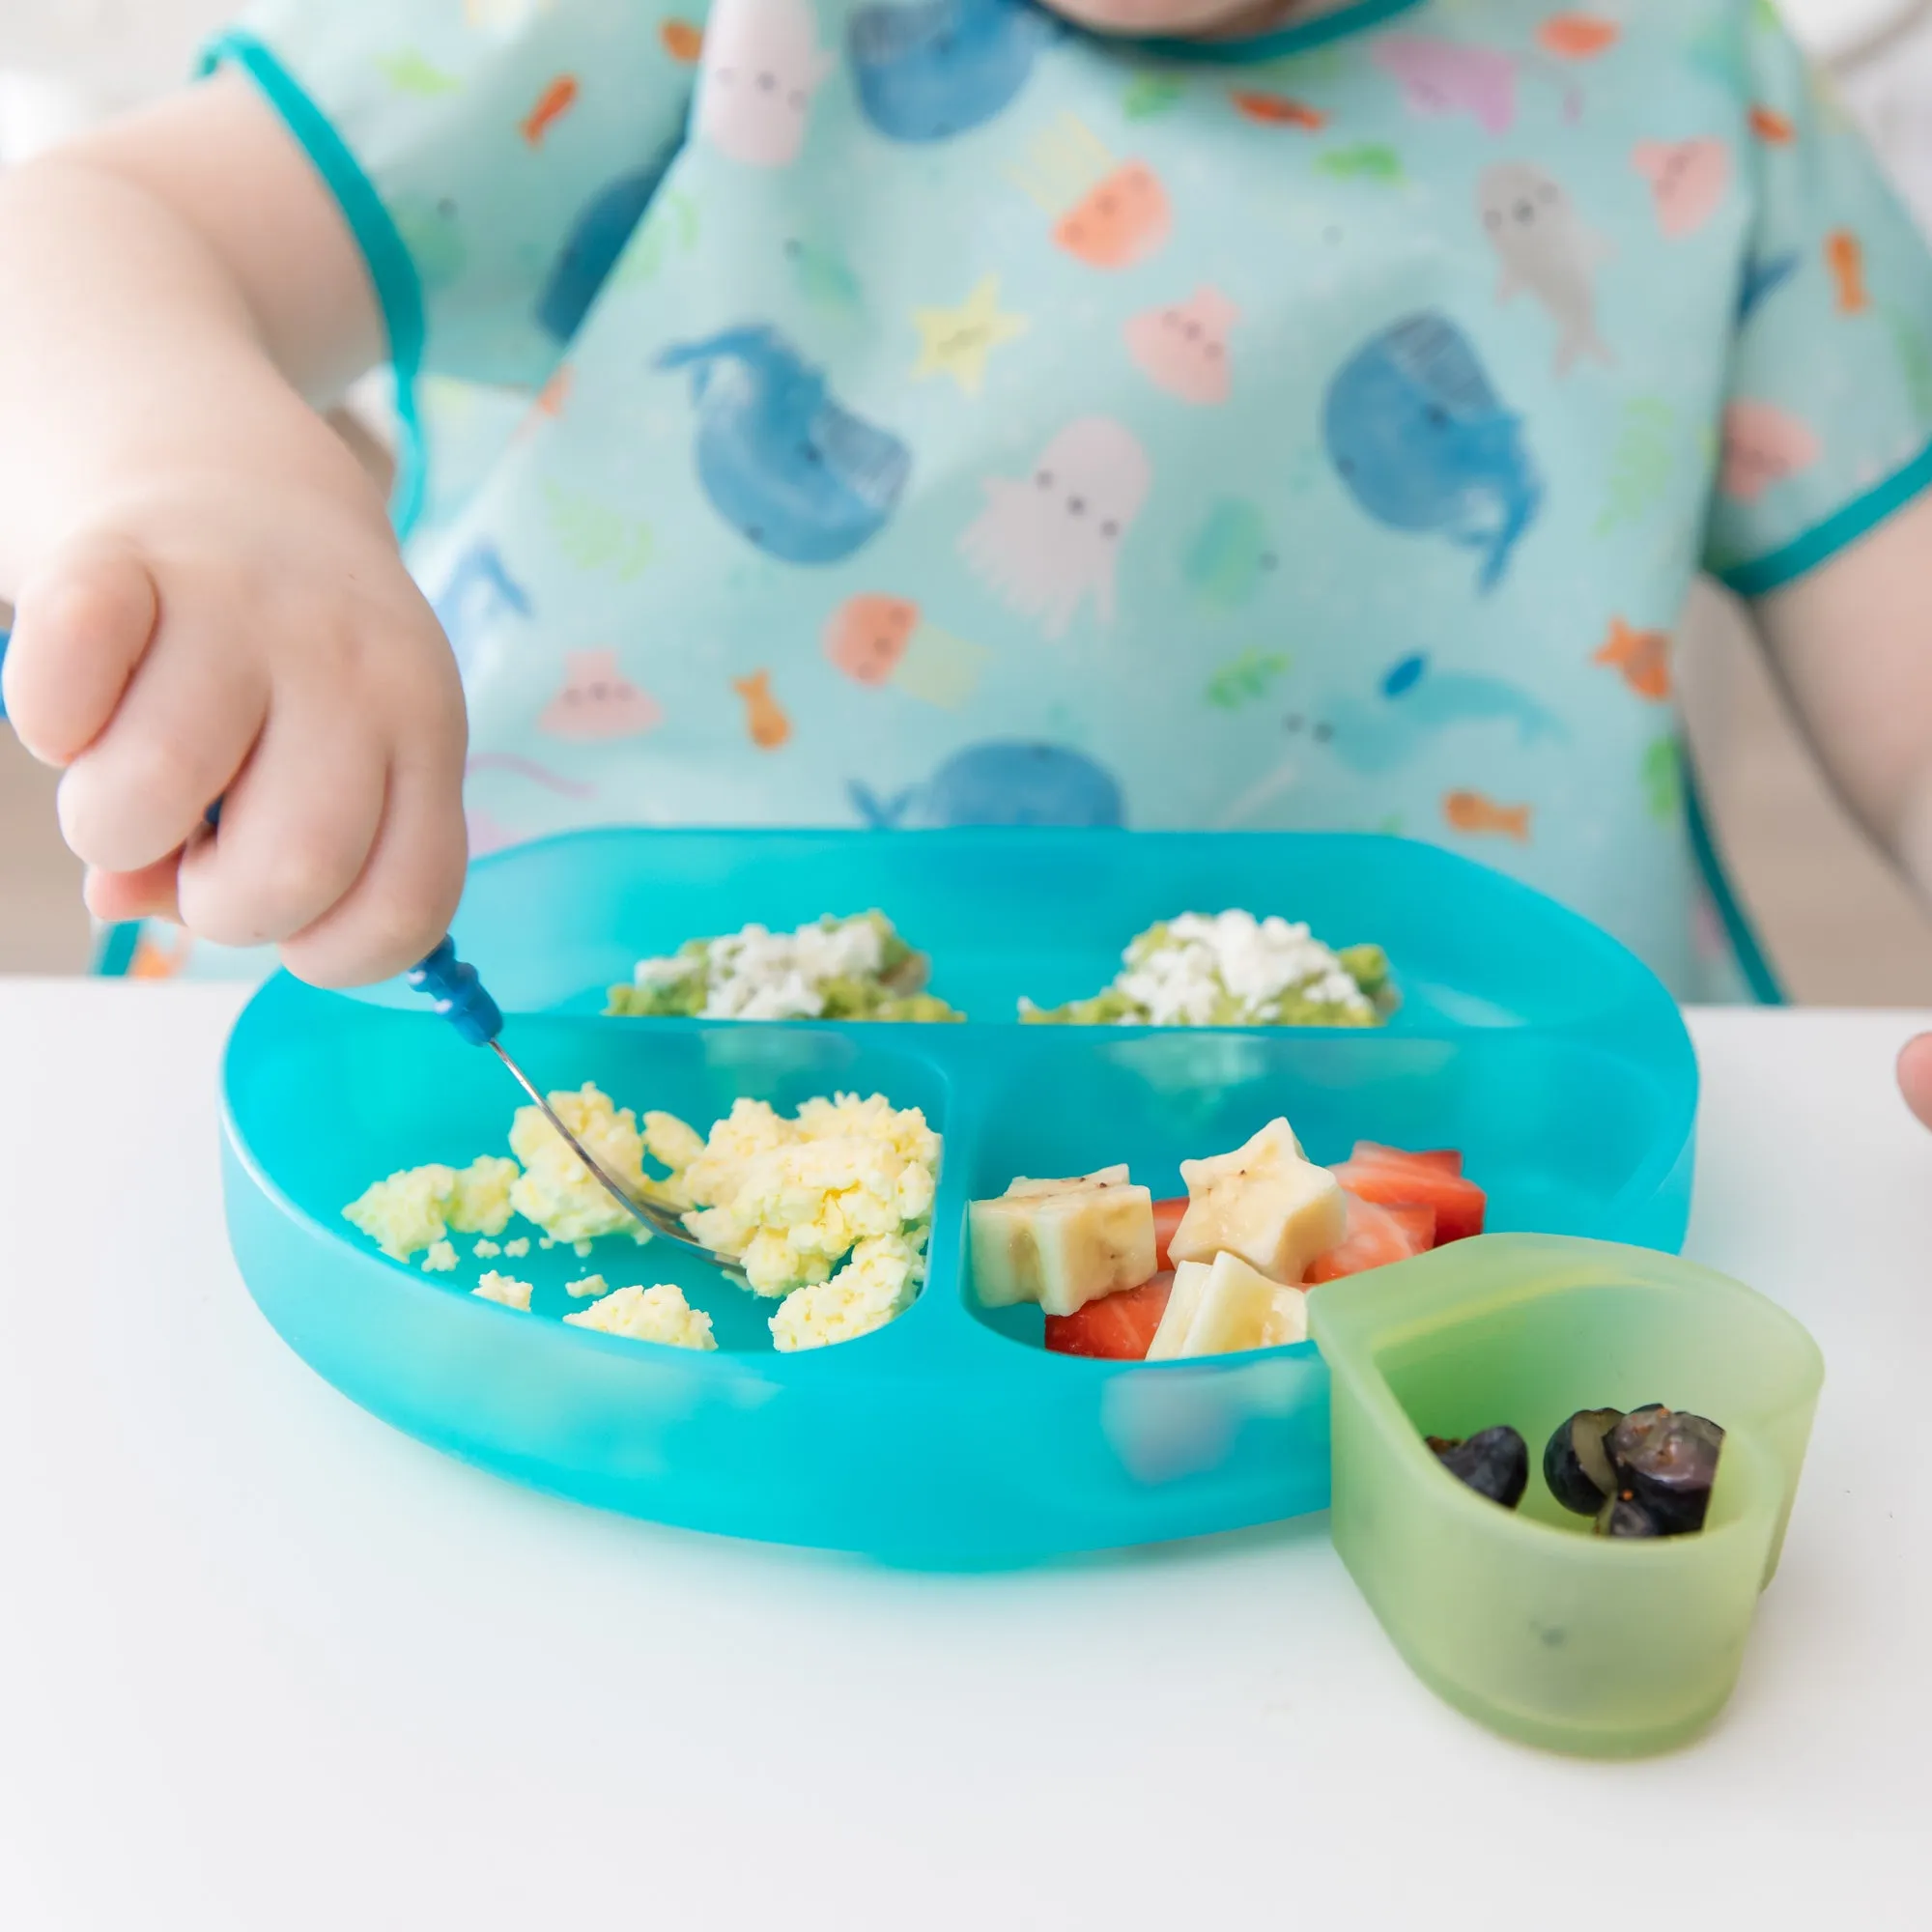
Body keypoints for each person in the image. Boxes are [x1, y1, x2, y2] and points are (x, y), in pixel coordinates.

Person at [2, 0, 1932, 1111]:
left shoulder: (1689, 78)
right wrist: (198, 472)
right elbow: (75, 232)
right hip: (530, 1096)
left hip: (1463, 1200)